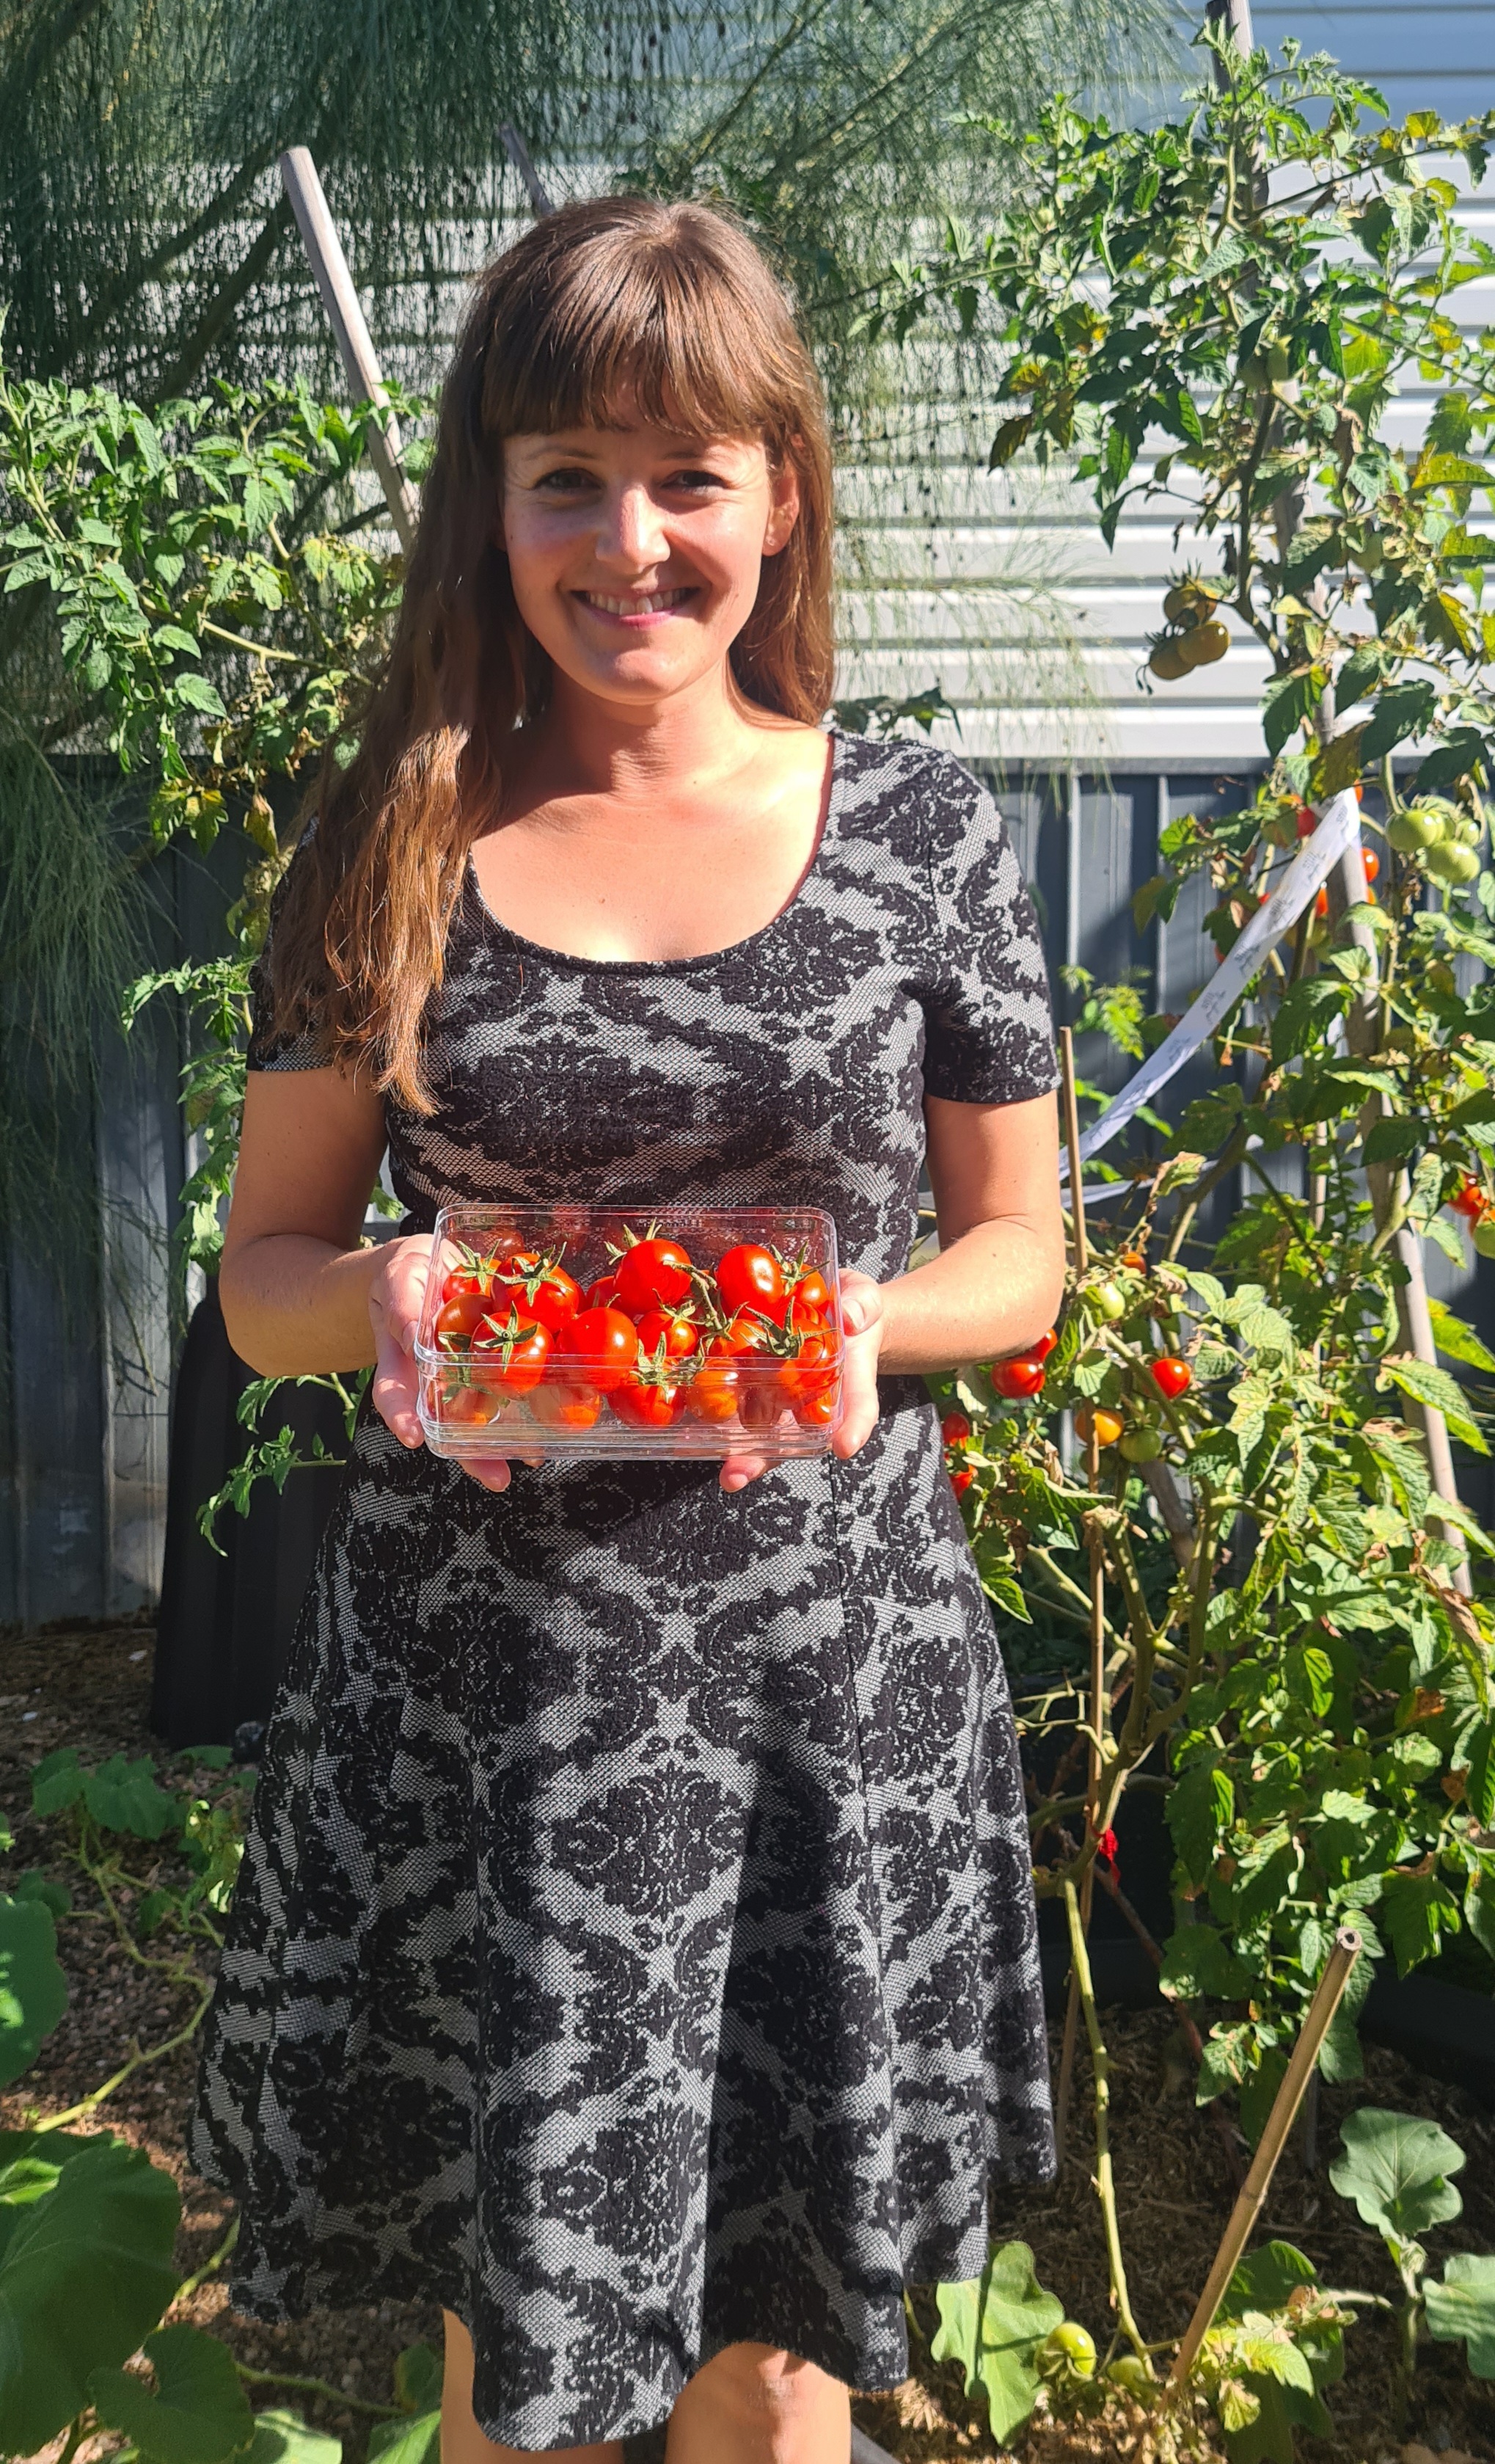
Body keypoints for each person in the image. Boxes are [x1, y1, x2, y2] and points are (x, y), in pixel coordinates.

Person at [191, 194, 1065, 2464]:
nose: (633, 539)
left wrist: (870, 1328)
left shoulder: (926, 834)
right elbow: (262, 1278)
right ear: (493, 500)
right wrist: (385, 1290)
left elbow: (1021, 1258)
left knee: (778, 2370)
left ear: (783, 492)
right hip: (496, 1707)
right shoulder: (384, 834)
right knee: (525, 2363)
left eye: (692, 474)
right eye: (568, 472)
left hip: (813, 1695)